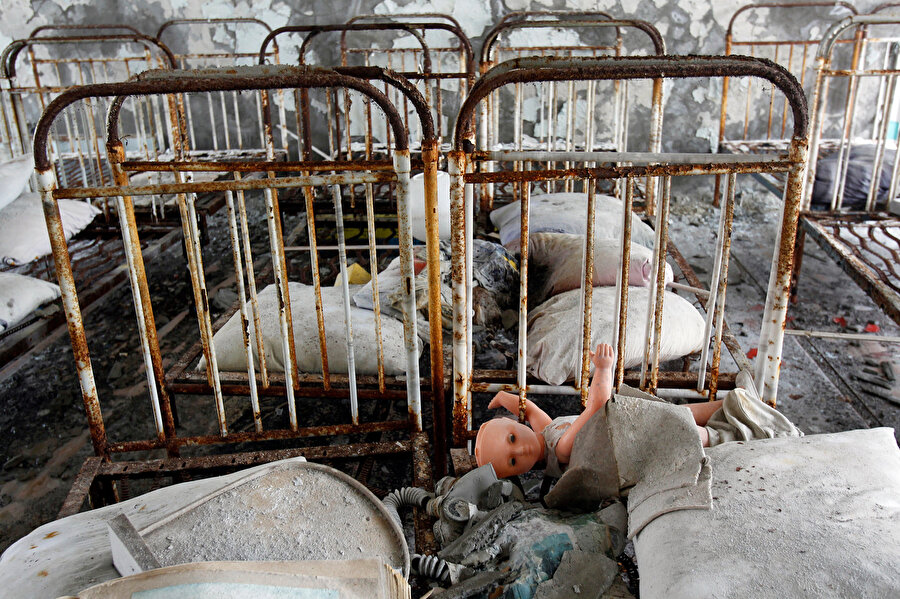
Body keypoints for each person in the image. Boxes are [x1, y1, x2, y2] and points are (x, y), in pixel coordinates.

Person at [474, 342, 726, 478]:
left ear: (516, 424)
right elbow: (596, 407)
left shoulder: (547, 436)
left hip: (629, 422)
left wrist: (503, 396)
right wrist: (604, 369)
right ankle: (733, 436)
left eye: (512, 438)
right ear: (519, 472)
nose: (522, 448)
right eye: (514, 460)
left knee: (685, 413)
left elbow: (529, 410)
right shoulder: (561, 449)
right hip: (632, 438)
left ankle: (733, 406)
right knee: (688, 431)